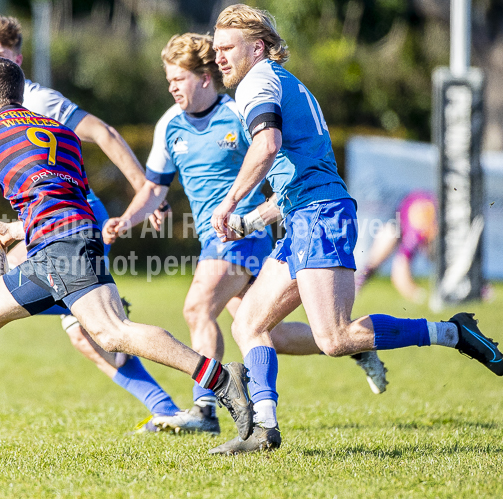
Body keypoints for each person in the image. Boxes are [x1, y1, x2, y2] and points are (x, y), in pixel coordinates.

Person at [0, 57, 255, 445]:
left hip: (60, 247)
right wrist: (20, 227)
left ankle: (220, 377)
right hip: (72, 238)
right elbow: (66, 197)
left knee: (113, 333)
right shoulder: (59, 131)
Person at [207, 4, 503, 454]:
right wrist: (248, 220)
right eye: (216, 49)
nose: (220, 57)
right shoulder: (279, 82)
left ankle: (455, 332)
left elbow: (267, 147)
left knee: (335, 338)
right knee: (249, 321)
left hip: (319, 215)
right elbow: (297, 177)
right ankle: (262, 428)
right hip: (306, 213)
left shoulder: (258, 81)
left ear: (258, 47)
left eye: (227, 48)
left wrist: (229, 202)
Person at [0, 15, 190, 432]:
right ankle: (165, 404)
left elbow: (103, 132)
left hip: (73, 219)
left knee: (10, 296)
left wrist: (145, 190)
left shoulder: (39, 101)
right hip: (50, 224)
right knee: (86, 333)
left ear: (17, 59)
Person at [103, 33, 388, 435]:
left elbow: (271, 158)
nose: (171, 87)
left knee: (197, 307)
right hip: (211, 237)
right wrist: (126, 220)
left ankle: (205, 408)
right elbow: (153, 189)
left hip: (241, 235)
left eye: (179, 78)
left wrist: (251, 214)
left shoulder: (238, 111)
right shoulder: (169, 125)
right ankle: (358, 342)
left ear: (205, 78)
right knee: (269, 332)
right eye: (168, 79)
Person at [355, 191, 437, 302]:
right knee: (386, 242)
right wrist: (417, 295)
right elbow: (399, 272)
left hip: (409, 205)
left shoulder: (428, 222)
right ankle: (358, 280)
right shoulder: (419, 228)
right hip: (393, 210)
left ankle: (359, 279)